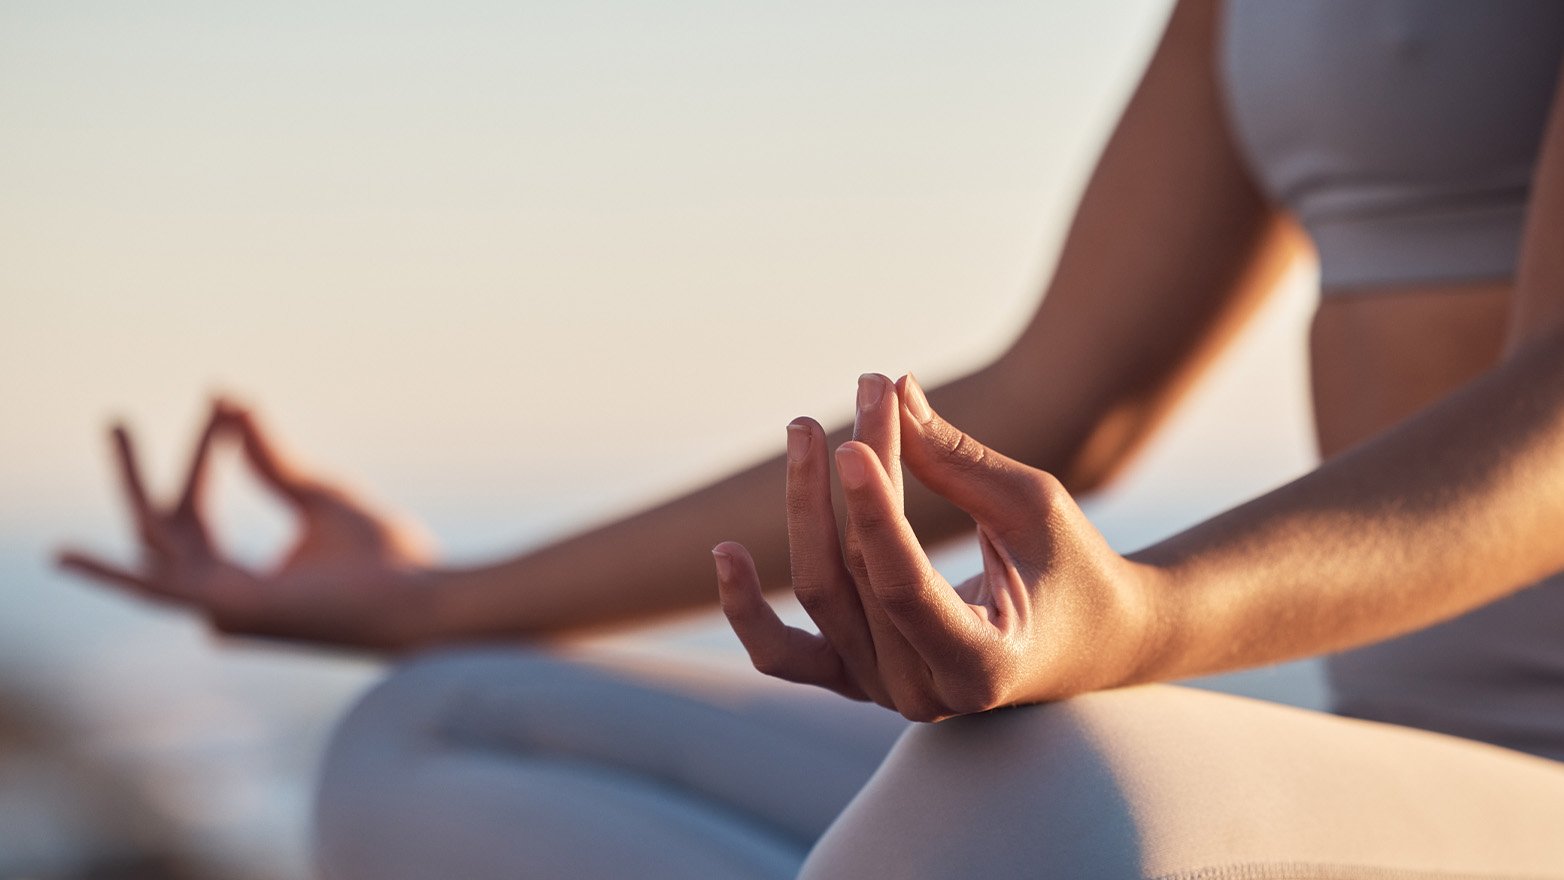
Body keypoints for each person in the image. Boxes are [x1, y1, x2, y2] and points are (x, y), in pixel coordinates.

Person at [60, 1, 1564, 877]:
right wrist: (427, 602)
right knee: (440, 728)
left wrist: (1139, 623)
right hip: (1395, 779)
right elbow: (1059, 392)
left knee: (1042, 789)